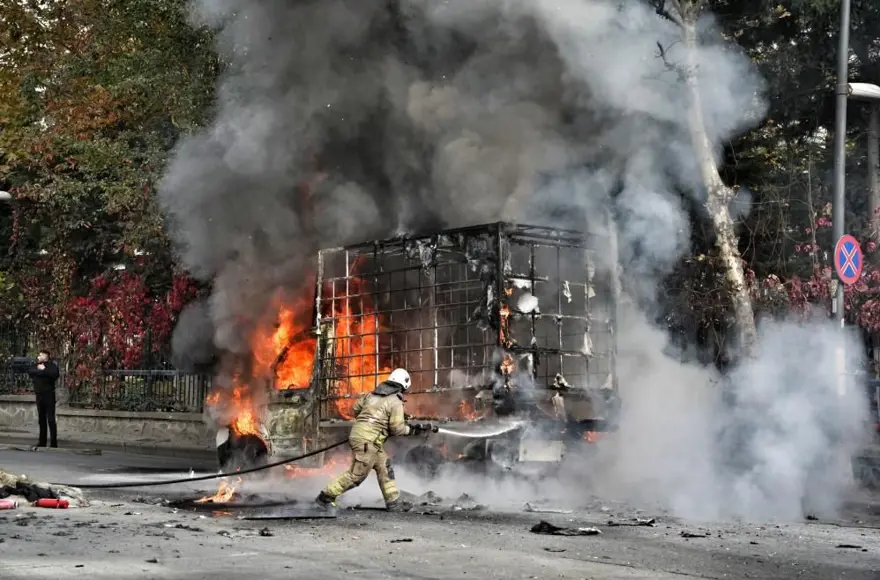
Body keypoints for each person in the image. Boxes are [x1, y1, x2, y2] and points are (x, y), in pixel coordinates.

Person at [316, 368, 435, 512]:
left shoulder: (371, 395)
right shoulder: (395, 401)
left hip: (367, 439)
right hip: (367, 440)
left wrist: (368, 421)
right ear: (403, 386)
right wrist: (415, 430)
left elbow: (355, 408)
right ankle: (325, 497)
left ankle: (393, 503)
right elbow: (398, 429)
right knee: (357, 475)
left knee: (384, 467)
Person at [26, 350, 60, 448]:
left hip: (49, 394)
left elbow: (54, 375)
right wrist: (42, 371)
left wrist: (43, 370)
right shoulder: (36, 365)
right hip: (39, 395)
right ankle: (42, 442)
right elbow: (31, 371)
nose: (38, 356)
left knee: (50, 419)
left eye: (40, 355)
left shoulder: (52, 366)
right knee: (41, 419)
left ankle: (53, 443)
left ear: (46, 356)